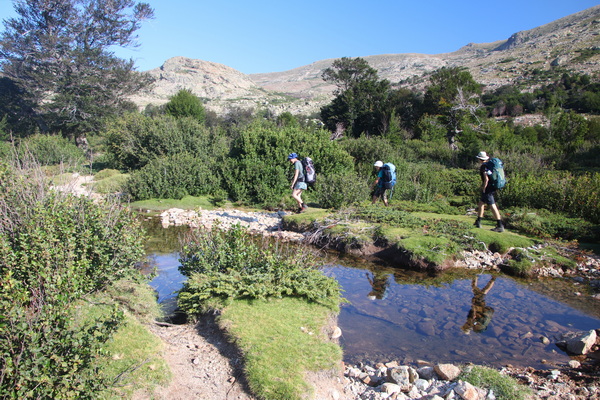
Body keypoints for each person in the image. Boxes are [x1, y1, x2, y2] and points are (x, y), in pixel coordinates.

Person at [474, 151, 504, 232]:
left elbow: (486, 179)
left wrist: (483, 188)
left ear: (480, 159)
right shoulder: (489, 166)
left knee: (492, 205)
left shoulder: (484, 167)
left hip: (488, 189)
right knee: (481, 203)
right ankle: (478, 221)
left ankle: (500, 225)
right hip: (492, 187)